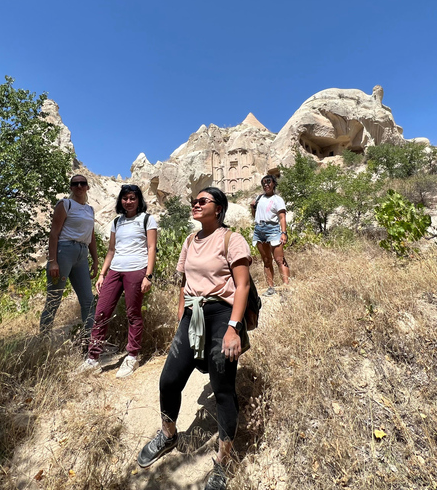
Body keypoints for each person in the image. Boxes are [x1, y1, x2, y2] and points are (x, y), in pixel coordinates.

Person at [136, 187, 251, 490]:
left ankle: (224, 461)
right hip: (192, 316)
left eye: (203, 201)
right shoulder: (190, 240)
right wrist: (180, 315)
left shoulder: (231, 239)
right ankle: (168, 432)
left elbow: (242, 287)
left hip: (221, 316)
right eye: (194, 201)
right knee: (169, 379)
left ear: (219, 208)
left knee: (223, 388)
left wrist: (233, 328)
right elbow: (183, 282)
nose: (196, 205)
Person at [80, 184, 157, 378]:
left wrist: (148, 275)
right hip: (115, 270)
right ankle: (93, 359)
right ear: (120, 201)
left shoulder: (147, 219)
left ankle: (132, 356)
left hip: (136, 269)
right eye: (125, 198)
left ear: (139, 200)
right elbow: (111, 250)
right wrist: (102, 274)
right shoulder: (117, 222)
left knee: (133, 314)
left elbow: (151, 248)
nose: (128, 202)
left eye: (132, 198)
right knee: (101, 312)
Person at [40, 174, 98, 334]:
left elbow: (91, 236)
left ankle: (88, 342)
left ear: (87, 187)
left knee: (88, 300)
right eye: (75, 184)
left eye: (82, 183)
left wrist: (95, 260)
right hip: (64, 252)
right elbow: (54, 234)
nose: (79, 186)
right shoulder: (65, 204)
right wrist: (53, 261)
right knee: (54, 299)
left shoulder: (90, 210)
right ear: (71, 187)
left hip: (82, 254)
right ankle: (42, 340)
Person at [250, 175, 290, 296]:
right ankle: (270, 287)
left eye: (268, 182)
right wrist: (252, 207)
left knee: (279, 259)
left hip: (272, 229)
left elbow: (282, 217)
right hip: (259, 229)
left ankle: (286, 287)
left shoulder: (277, 199)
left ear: (273, 184)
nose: (266, 185)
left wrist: (283, 233)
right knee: (266, 260)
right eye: (264, 183)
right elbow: (255, 215)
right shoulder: (259, 198)